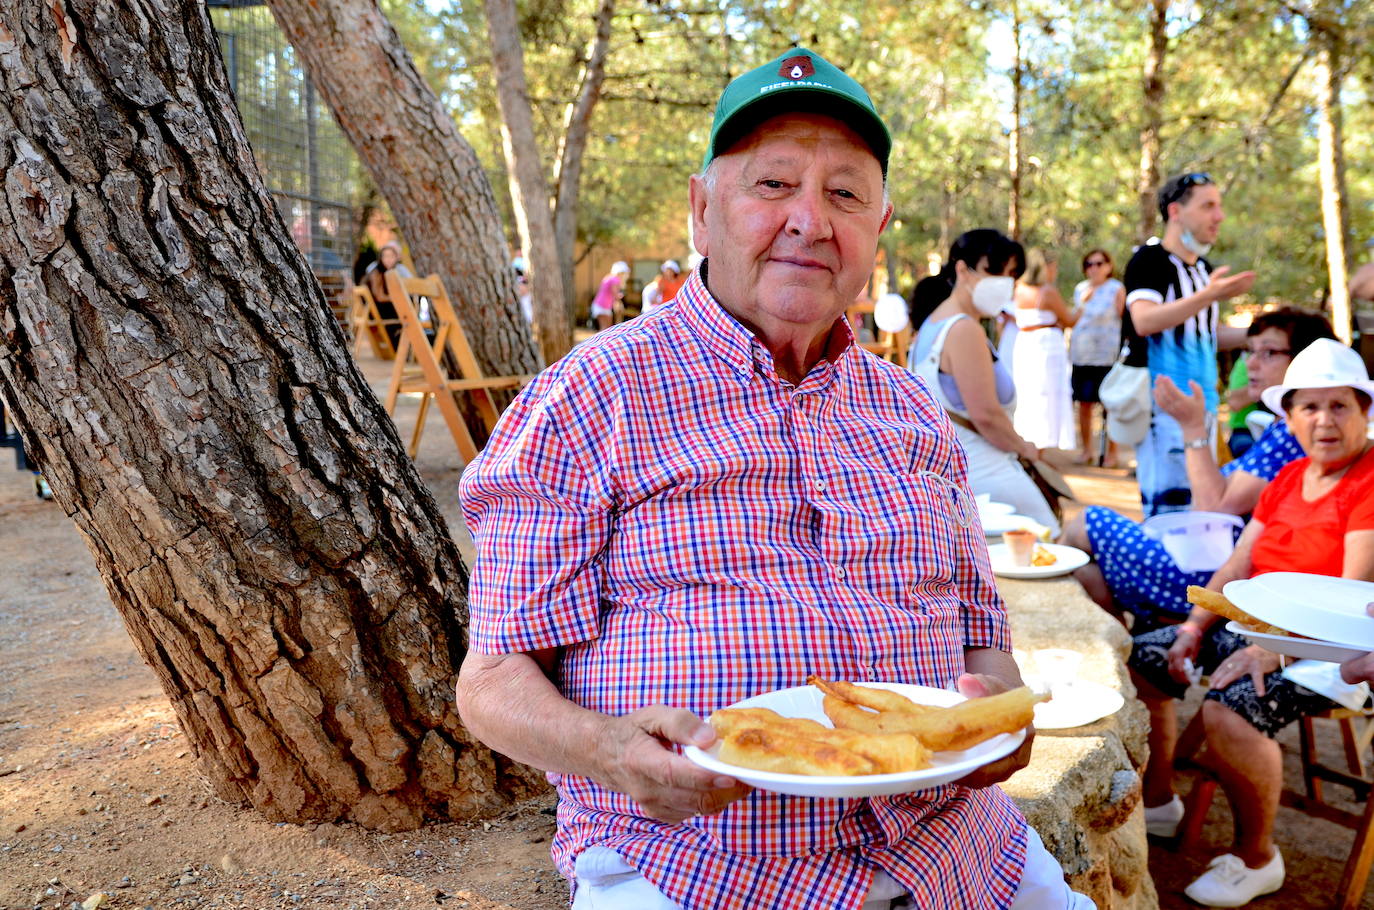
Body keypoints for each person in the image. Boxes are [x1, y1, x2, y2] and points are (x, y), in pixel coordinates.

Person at [455, 47, 1090, 910]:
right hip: (695, 863)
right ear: (701, 206)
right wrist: (607, 748)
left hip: (957, 852)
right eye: (773, 184)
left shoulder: (911, 412)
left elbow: (980, 633)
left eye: (844, 194)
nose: (809, 220)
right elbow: (492, 679)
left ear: (879, 226)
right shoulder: (584, 397)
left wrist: (996, 713)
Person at [1127, 338, 1374, 906]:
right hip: (1256, 633)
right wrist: (1193, 626)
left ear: (1364, 412)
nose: (1324, 421)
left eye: (1340, 406)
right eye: (1309, 407)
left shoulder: (1367, 481)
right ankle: (1161, 802)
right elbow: (1238, 563)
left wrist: (1274, 650)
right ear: (1288, 417)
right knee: (1145, 657)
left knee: (1230, 707)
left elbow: (1349, 598)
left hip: (1335, 651)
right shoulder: (1288, 477)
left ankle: (1259, 856)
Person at [1060, 308, 1336, 626]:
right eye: (1250, 351)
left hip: (1208, 571)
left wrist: (1192, 428)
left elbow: (1213, 506)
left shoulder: (1293, 434)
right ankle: (1123, 652)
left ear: (1303, 361)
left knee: (1087, 522)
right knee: (1085, 571)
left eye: (1269, 353)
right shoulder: (1282, 427)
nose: (1251, 363)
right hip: (1206, 556)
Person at [908, 232, 1060, 534]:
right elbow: (985, 414)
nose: (1006, 282)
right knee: (1054, 542)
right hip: (987, 471)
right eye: (996, 271)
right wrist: (1025, 448)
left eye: (1012, 274)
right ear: (963, 270)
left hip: (957, 471)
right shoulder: (964, 330)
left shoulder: (933, 324)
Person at [1125, 173, 1256, 517]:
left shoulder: (1202, 269)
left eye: (1220, 206)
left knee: (1201, 509)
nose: (1219, 217)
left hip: (1204, 408)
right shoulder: (1150, 260)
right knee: (1171, 513)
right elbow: (1144, 320)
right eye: (1208, 206)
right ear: (1176, 212)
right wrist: (1209, 295)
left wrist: (1261, 333)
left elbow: (1207, 333)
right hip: (1165, 410)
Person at [1012, 249, 1078, 453]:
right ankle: (1040, 448)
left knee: (1028, 393)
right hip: (1047, 347)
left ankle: (1030, 443)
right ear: (1045, 267)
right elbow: (1070, 320)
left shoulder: (1018, 289)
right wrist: (1083, 306)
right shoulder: (1047, 292)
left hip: (1024, 343)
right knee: (1047, 394)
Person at [1069, 249, 1125, 467]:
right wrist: (1082, 302)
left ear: (1108, 266)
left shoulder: (1116, 289)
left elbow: (1124, 318)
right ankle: (1087, 451)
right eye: (1089, 264)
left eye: (1099, 263)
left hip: (1108, 356)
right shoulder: (1080, 289)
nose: (1094, 268)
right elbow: (1073, 319)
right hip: (1082, 355)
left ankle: (1112, 453)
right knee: (1084, 404)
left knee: (1110, 405)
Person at [361, 241, 414, 346]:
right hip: (378, 311)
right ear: (381, 258)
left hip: (381, 309)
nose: (388, 259)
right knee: (407, 309)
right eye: (385, 256)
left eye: (391, 256)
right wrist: (397, 298)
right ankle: (402, 343)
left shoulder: (392, 271)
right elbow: (380, 297)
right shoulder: (377, 272)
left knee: (407, 307)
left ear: (397, 258)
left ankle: (403, 342)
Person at [591, 261, 630, 330]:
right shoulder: (615, 279)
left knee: (605, 328)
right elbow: (615, 293)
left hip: (601, 305)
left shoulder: (609, 277)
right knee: (605, 329)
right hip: (602, 306)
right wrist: (620, 297)